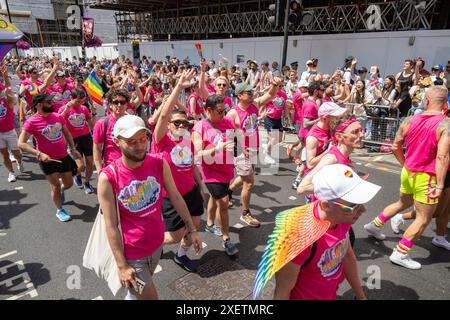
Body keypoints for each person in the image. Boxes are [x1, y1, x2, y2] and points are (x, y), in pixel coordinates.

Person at [98, 114, 202, 300]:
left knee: (137, 291)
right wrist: (122, 266)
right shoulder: (108, 177)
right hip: (133, 255)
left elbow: (176, 197)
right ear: (116, 141)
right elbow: (111, 225)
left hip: (156, 248)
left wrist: (192, 229)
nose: (139, 146)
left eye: (143, 139)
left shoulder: (158, 163)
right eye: (131, 142)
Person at [364, 86, 450, 269]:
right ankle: (401, 253)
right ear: (445, 104)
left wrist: (405, 165)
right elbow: (443, 157)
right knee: (423, 218)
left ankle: (375, 224)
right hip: (427, 176)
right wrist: (440, 185)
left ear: (426, 101)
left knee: (403, 203)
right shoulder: (445, 124)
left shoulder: (409, 119)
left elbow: (395, 146)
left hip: (408, 171)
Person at [272, 164, 380, 300]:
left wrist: (360, 296)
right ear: (326, 205)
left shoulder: (341, 219)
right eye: (353, 206)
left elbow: (347, 255)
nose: (362, 210)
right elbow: (282, 291)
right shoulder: (298, 238)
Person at [152, 70, 206, 272]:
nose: (181, 125)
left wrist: (200, 187)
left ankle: (181, 255)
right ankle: (150, 242)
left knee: (194, 227)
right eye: (177, 123)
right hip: (170, 197)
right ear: (168, 126)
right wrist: (178, 87)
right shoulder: (160, 141)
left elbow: (192, 166)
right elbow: (164, 114)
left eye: (184, 122)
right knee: (175, 236)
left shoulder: (187, 141)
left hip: (191, 192)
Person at [227, 78, 282, 227]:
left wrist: (274, 84)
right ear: (239, 95)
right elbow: (227, 135)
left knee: (244, 177)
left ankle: (229, 190)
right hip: (242, 152)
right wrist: (238, 149)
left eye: (252, 92)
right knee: (249, 182)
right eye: (248, 92)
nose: (252, 94)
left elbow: (270, 95)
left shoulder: (255, 105)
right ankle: (246, 213)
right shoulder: (233, 113)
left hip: (254, 148)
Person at [18, 94, 81, 222]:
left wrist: (73, 149)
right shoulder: (32, 122)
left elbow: (67, 133)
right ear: (39, 105)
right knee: (55, 186)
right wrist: (39, 154)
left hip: (63, 156)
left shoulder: (57, 117)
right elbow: (21, 143)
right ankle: (59, 210)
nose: (52, 103)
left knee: (68, 183)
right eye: (48, 102)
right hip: (47, 161)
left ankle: (62, 190)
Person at [192, 94, 238, 255]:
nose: (223, 114)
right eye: (219, 111)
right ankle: (226, 239)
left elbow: (233, 141)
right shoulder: (200, 127)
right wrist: (217, 149)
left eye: (224, 110)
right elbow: (197, 155)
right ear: (208, 110)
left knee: (215, 197)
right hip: (211, 172)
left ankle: (210, 223)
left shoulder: (228, 122)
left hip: (226, 169)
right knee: (224, 203)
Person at [58, 89, 95, 194]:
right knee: (81, 166)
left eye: (82, 101)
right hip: (73, 140)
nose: (80, 104)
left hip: (86, 137)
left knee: (89, 162)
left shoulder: (84, 108)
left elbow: (90, 122)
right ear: (71, 98)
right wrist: (66, 110)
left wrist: (95, 133)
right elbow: (58, 121)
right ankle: (77, 175)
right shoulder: (63, 109)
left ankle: (87, 183)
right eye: (77, 101)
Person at [92, 89, 129, 173]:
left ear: (126, 104)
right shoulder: (102, 123)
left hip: (131, 166)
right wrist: (99, 170)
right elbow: (97, 149)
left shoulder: (132, 121)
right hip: (112, 168)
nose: (119, 105)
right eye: (115, 102)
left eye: (122, 102)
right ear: (110, 105)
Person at [0, 65, 23, 183]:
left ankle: (19, 161)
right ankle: (11, 172)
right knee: (4, 155)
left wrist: (5, 76)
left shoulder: (7, 101)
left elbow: (8, 89)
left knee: (17, 154)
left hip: (9, 131)